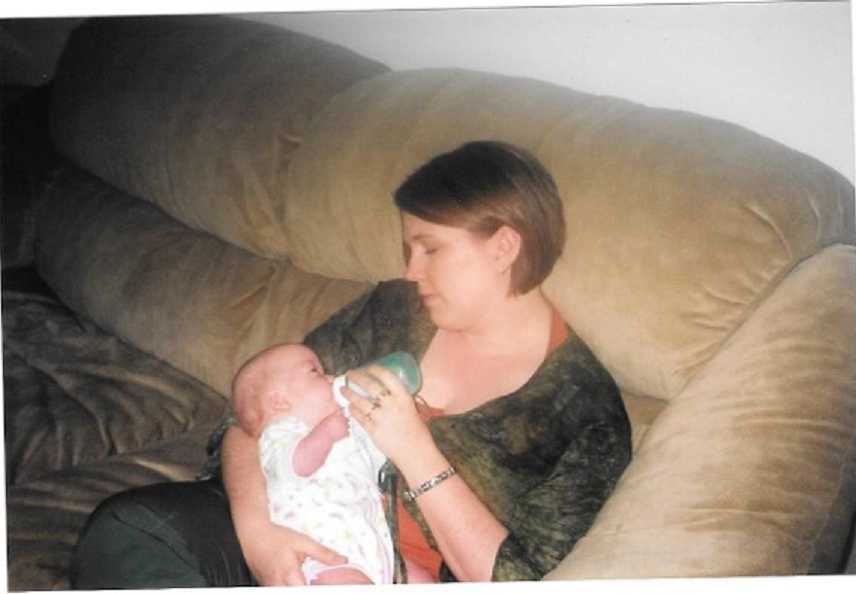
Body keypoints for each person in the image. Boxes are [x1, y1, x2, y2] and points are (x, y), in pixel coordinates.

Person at [71, 140, 632, 588]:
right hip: (279, 529)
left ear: (504, 247)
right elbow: (251, 419)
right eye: (409, 248)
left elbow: (519, 577)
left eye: (430, 248)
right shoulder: (393, 311)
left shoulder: (582, 410)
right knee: (126, 532)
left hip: (383, 572)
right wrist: (259, 536)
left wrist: (416, 450)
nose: (411, 271)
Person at [229, 342, 394, 586]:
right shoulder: (281, 432)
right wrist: (325, 434)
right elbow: (293, 466)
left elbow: (376, 458)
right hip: (321, 550)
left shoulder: (344, 429)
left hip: (366, 545)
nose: (331, 377)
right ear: (279, 403)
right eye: (315, 372)